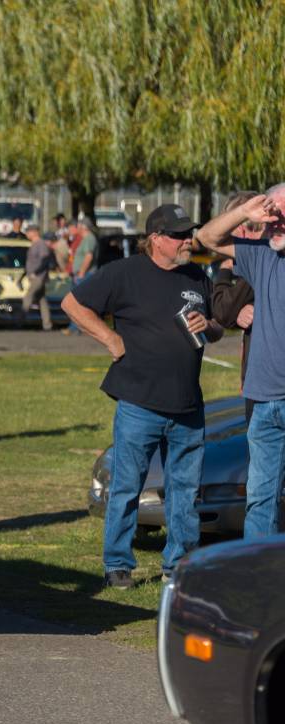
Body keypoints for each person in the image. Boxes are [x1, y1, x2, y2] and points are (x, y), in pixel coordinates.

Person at [63, 204, 224, 588]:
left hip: (187, 404)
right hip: (140, 403)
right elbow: (72, 304)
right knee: (127, 485)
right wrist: (110, 338)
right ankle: (118, 563)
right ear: (155, 239)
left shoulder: (195, 276)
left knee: (184, 491)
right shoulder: (124, 274)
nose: (188, 241)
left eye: (189, 234)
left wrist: (212, 326)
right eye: (179, 235)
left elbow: (216, 327)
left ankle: (179, 564)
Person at [197, 189, 285, 539]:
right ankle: (258, 579)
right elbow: (206, 237)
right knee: (261, 500)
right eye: (271, 213)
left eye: (281, 214)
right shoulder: (261, 255)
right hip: (263, 401)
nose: (274, 220)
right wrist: (245, 211)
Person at [208, 190, 263, 419]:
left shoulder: (259, 258)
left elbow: (223, 311)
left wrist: (223, 271)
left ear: (240, 229)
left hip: (267, 387)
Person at [21, 224, 55, 331]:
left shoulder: (41, 244)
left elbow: (45, 260)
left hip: (38, 277)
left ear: (35, 232)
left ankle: (19, 321)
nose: (27, 233)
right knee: (41, 300)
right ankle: (47, 324)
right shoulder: (34, 244)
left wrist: (36, 272)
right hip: (34, 276)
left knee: (28, 297)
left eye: (28, 231)